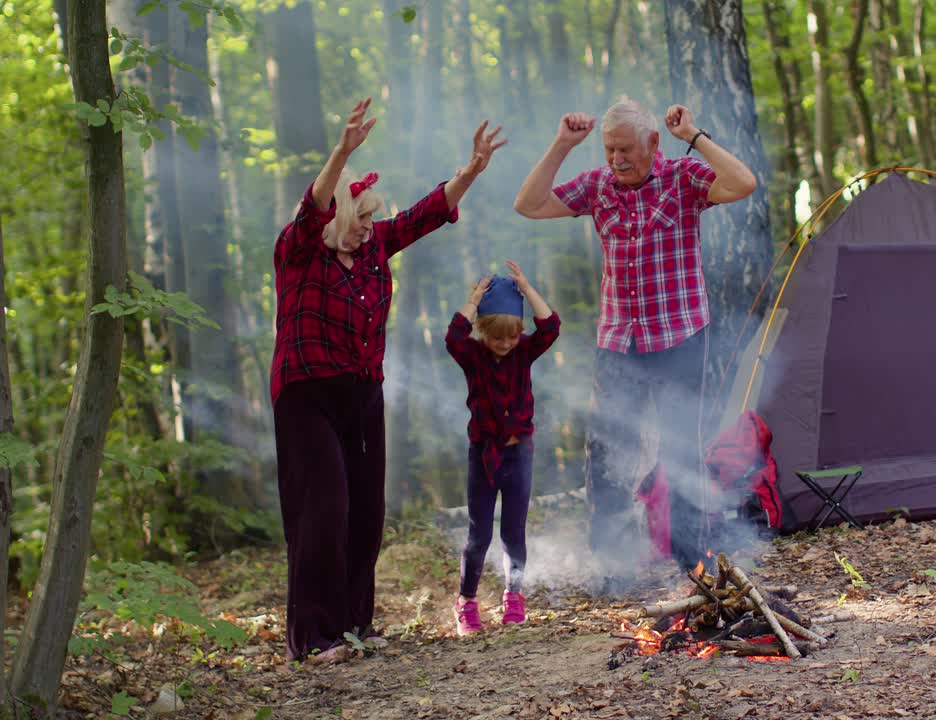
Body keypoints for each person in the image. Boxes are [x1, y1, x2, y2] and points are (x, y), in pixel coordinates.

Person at [271, 97, 506, 662]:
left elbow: (424, 216)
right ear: (335, 221)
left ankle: (354, 625)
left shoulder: (375, 249)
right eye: (360, 221)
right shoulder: (299, 251)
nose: (370, 230)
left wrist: (468, 173)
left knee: (365, 510)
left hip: (362, 392)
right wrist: (342, 151)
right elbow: (312, 207)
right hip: (306, 394)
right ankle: (315, 637)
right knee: (323, 506)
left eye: (374, 220)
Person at [512, 98, 757, 578]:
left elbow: (743, 183)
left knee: (682, 450)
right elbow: (529, 204)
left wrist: (695, 137)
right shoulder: (598, 187)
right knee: (607, 451)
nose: (616, 159)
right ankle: (611, 565)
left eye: (625, 149)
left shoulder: (682, 179)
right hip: (618, 343)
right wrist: (563, 145)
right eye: (609, 150)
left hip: (681, 338)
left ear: (653, 144)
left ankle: (694, 565)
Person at [445, 260, 560, 635]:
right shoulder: (473, 356)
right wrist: (475, 299)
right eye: (498, 338)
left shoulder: (525, 351)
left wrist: (527, 289)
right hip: (484, 456)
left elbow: (551, 326)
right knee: (479, 534)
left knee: (514, 531)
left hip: (519, 454)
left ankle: (514, 596)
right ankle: (466, 601)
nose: (506, 344)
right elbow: (453, 337)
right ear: (484, 332)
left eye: (512, 337)